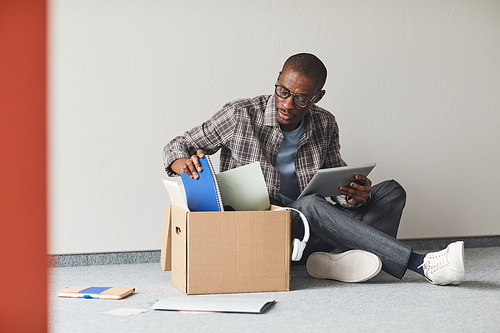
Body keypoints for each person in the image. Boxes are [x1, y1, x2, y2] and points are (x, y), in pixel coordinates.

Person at [163, 53, 465, 286]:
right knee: (309, 205)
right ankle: (419, 263)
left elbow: (337, 187)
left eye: (301, 98)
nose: (287, 103)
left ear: (317, 97)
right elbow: (177, 145)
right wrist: (181, 162)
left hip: (310, 234)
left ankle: (334, 261)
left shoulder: (325, 123)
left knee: (391, 191)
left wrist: (354, 195)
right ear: (278, 79)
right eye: (282, 90)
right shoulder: (240, 115)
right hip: (263, 231)